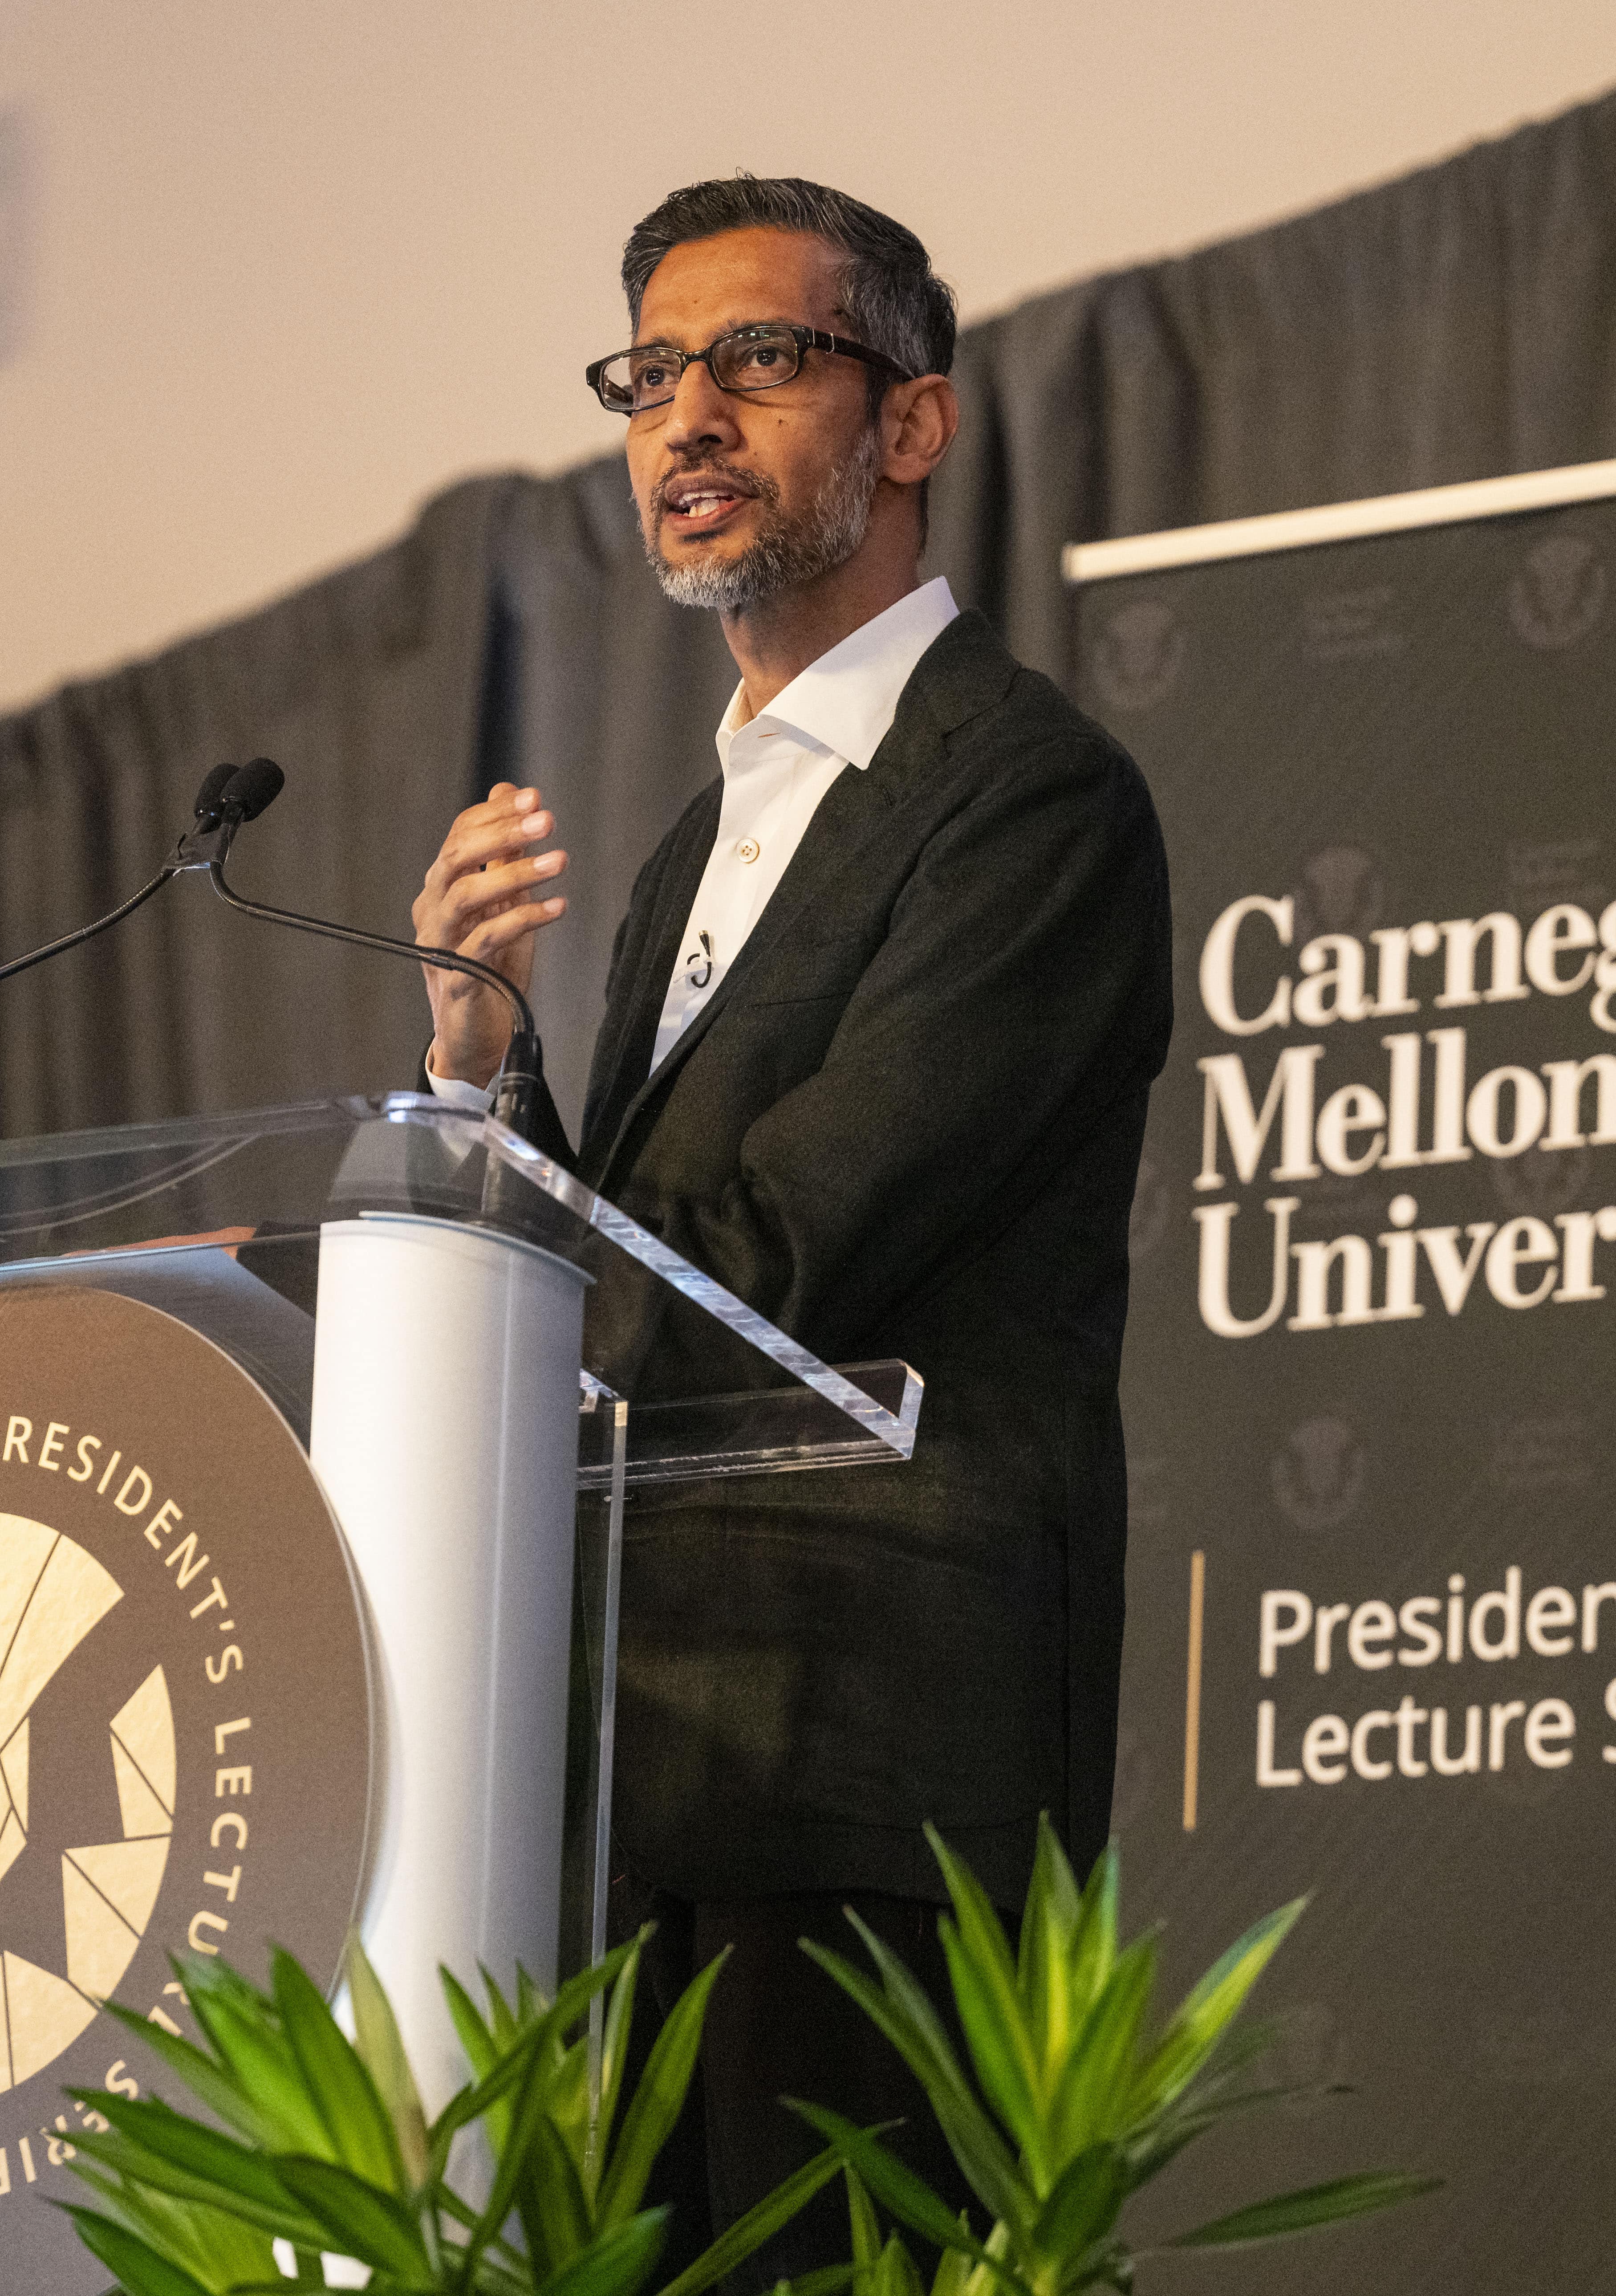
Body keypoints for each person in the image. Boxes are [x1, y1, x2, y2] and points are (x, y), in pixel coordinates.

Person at [408, 176, 1170, 2280]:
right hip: (641, 1778)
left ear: (911, 426)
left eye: (760, 359)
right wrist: (478, 1073)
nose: (687, 419)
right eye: (652, 376)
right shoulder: (686, 853)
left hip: (871, 1786)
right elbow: (637, 1244)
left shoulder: (1026, 797)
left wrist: (478, 1327)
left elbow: (784, 1249)